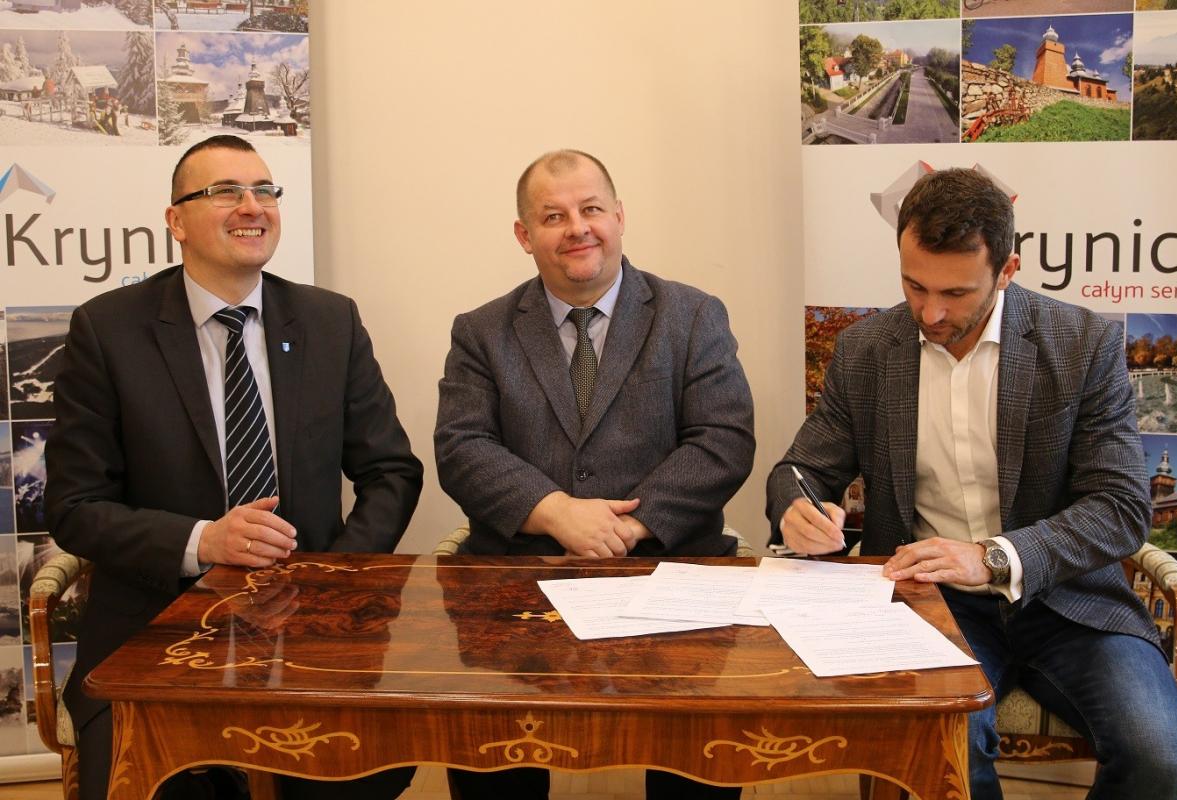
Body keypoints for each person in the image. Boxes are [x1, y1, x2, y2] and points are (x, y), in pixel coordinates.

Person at [767, 167, 1177, 799]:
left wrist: (992, 557)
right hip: (931, 602)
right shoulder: (867, 350)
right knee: (943, 748)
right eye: (914, 285)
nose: (930, 312)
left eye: (956, 293)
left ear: (1008, 270)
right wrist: (797, 508)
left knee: (1156, 756)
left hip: (1068, 600)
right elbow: (799, 471)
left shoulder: (1082, 343)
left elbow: (1120, 507)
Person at [46, 134, 423, 800]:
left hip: (310, 623)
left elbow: (391, 470)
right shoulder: (108, 330)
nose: (252, 206)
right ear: (176, 221)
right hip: (158, 624)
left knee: (363, 773)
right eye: (225, 191)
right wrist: (204, 541)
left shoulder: (329, 321)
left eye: (264, 190)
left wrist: (331, 578)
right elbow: (75, 507)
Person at [435, 149, 754, 799]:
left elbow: (724, 440)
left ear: (619, 216)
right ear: (525, 234)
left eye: (591, 209)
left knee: (701, 757)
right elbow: (461, 446)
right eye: (553, 216)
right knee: (488, 754)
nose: (577, 228)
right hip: (519, 579)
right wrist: (556, 512)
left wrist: (628, 527)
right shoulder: (482, 331)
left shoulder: (693, 315)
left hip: (668, 569)